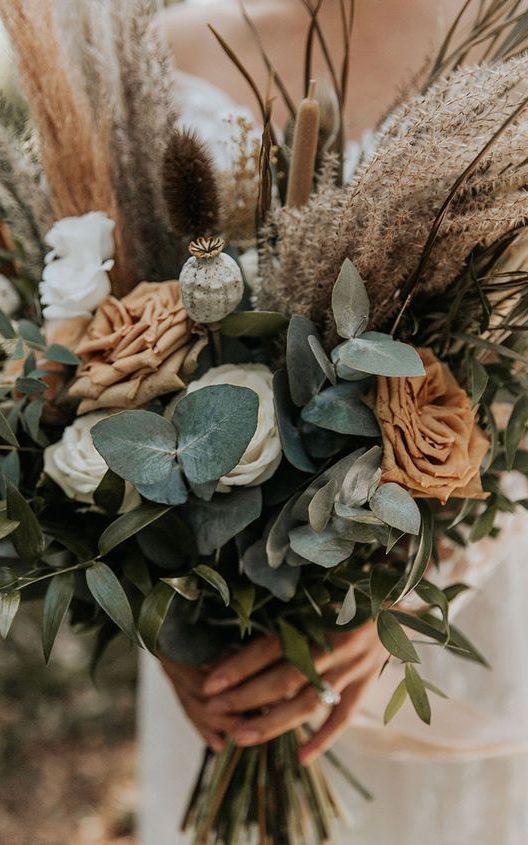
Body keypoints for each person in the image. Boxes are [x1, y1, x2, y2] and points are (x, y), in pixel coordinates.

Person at [139, 3, 528, 843]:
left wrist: (415, 586)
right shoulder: (167, 50)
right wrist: (158, 617)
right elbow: (99, 347)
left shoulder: (507, 47)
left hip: (448, 616)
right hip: (220, 649)